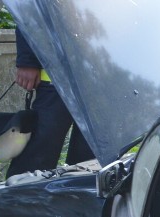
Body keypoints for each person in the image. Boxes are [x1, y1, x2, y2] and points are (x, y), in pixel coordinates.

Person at [6, 29, 94, 177]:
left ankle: (79, 197)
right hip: (56, 77)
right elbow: (30, 8)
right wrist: (28, 60)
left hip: (100, 77)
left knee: (91, 163)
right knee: (36, 159)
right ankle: (19, 198)